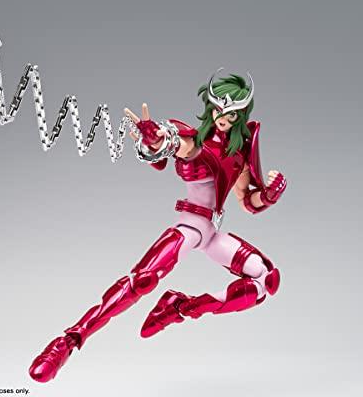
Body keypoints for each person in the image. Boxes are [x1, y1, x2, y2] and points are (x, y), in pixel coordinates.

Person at [29, 69, 287, 383]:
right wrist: (156, 140)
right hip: (191, 226)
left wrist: (269, 195)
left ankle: (180, 307)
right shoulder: (195, 140)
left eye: (231, 114)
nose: (223, 118)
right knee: (143, 280)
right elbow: (177, 143)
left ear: (241, 115)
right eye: (219, 110)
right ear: (210, 107)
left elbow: (247, 200)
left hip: (212, 233)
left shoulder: (238, 152)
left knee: (264, 279)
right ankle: (68, 341)